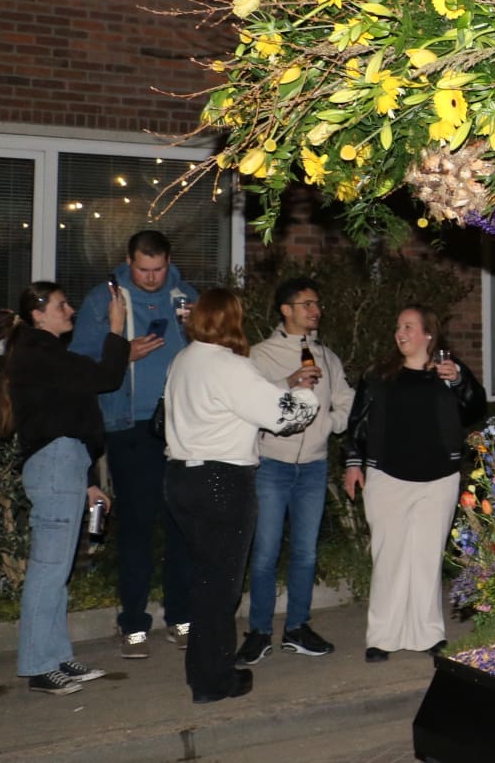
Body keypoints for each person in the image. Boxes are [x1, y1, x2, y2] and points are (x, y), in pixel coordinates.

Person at [161, 289, 318, 704]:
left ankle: (202, 671)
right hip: (222, 481)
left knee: (205, 580)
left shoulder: (184, 360)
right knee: (222, 586)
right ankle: (214, 681)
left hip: (182, 477)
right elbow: (286, 417)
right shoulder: (230, 364)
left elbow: (236, 403)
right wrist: (306, 393)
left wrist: (282, 386)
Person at [69, 229, 196, 659]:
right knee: (138, 528)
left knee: (182, 525)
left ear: (168, 262)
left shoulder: (185, 296)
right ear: (128, 262)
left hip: (181, 427)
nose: (151, 277)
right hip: (129, 426)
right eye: (143, 269)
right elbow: (79, 364)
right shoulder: (102, 299)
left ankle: (181, 617)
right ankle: (133, 624)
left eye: (158, 269)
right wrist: (124, 354)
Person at [0, 281, 127, 695]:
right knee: (49, 569)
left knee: (58, 570)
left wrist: (88, 484)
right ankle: (39, 666)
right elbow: (106, 377)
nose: (69, 310)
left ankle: (55, 657)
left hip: (65, 463)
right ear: (38, 315)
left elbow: (67, 415)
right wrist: (116, 328)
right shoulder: (39, 353)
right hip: (55, 464)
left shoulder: (46, 353)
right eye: (61, 305)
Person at [343, 305, 486, 662]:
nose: (400, 332)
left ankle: (427, 634)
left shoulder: (449, 370)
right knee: (389, 558)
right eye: (398, 326)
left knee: (425, 559)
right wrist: (353, 462)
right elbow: (358, 421)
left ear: (428, 334)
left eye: (408, 326)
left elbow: (475, 409)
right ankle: (382, 637)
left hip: (438, 479)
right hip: (387, 476)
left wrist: (459, 381)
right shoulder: (379, 374)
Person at [240, 277, 354, 664]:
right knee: (265, 552)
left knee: (305, 552)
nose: (315, 311)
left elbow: (346, 399)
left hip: (313, 467)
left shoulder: (326, 356)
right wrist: (287, 383)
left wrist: (329, 424)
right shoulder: (260, 355)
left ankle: (297, 628)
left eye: (317, 304)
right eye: (307, 304)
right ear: (285, 310)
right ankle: (258, 632)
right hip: (272, 464)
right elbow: (248, 401)